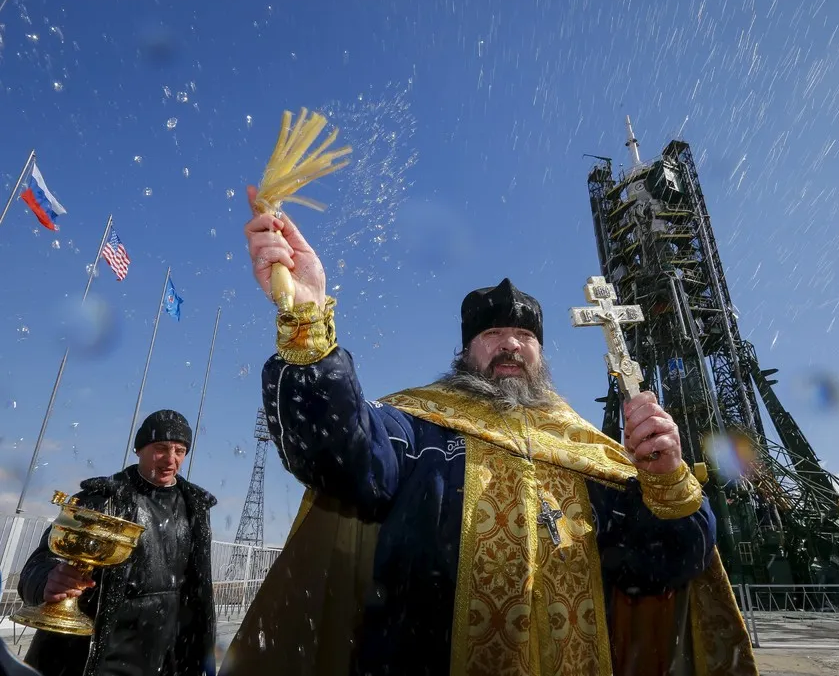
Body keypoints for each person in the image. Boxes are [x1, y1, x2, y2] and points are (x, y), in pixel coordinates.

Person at [222, 187, 757, 676]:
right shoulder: (418, 428)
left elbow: (660, 566)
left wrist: (665, 479)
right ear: (466, 351)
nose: (510, 344)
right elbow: (340, 451)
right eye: (493, 333)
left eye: (524, 334)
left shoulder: (587, 451)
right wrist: (309, 320)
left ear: (541, 353)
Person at [17, 410, 218, 676]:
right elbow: (41, 561)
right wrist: (48, 581)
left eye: (180, 451)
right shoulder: (100, 499)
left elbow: (197, 592)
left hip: (166, 657)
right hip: (94, 653)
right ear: (139, 449)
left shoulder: (196, 509)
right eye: (161, 448)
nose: (171, 460)